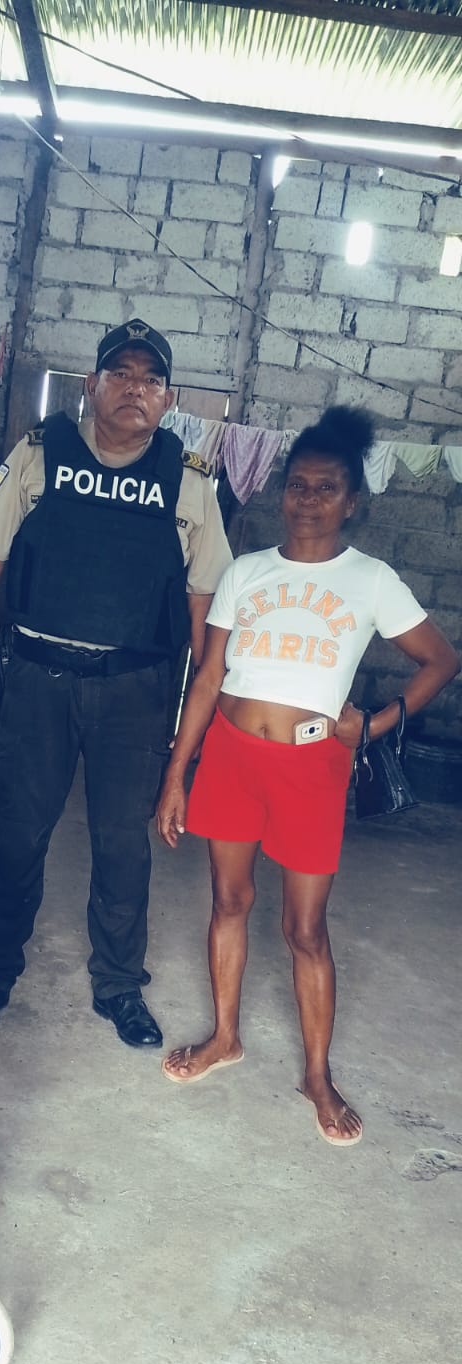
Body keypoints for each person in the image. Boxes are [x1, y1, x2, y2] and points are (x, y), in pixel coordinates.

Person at [156, 405, 459, 1143]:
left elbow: (440, 660)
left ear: (353, 499)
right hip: (231, 753)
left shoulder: (372, 580)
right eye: (298, 485)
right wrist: (177, 774)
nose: (309, 499)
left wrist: (376, 723)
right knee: (228, 900)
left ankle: (317, 1076)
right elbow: (209, 677)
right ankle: (225, 1037)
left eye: (327, 488)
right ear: (281, 491)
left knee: (305, 928)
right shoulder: (246, 571)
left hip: (313, 765)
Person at [0, 318, 232, 1045]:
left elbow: (205, 606)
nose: (134, 389)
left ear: (168, 399)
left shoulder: (189, 480)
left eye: (151, 379)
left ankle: (118, 984)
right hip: (38, 679)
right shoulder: (39, 453)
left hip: (134, 690)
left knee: (121, 844)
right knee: (19, 831)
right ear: (91, 384)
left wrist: (202, 710)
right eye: (120, 373)